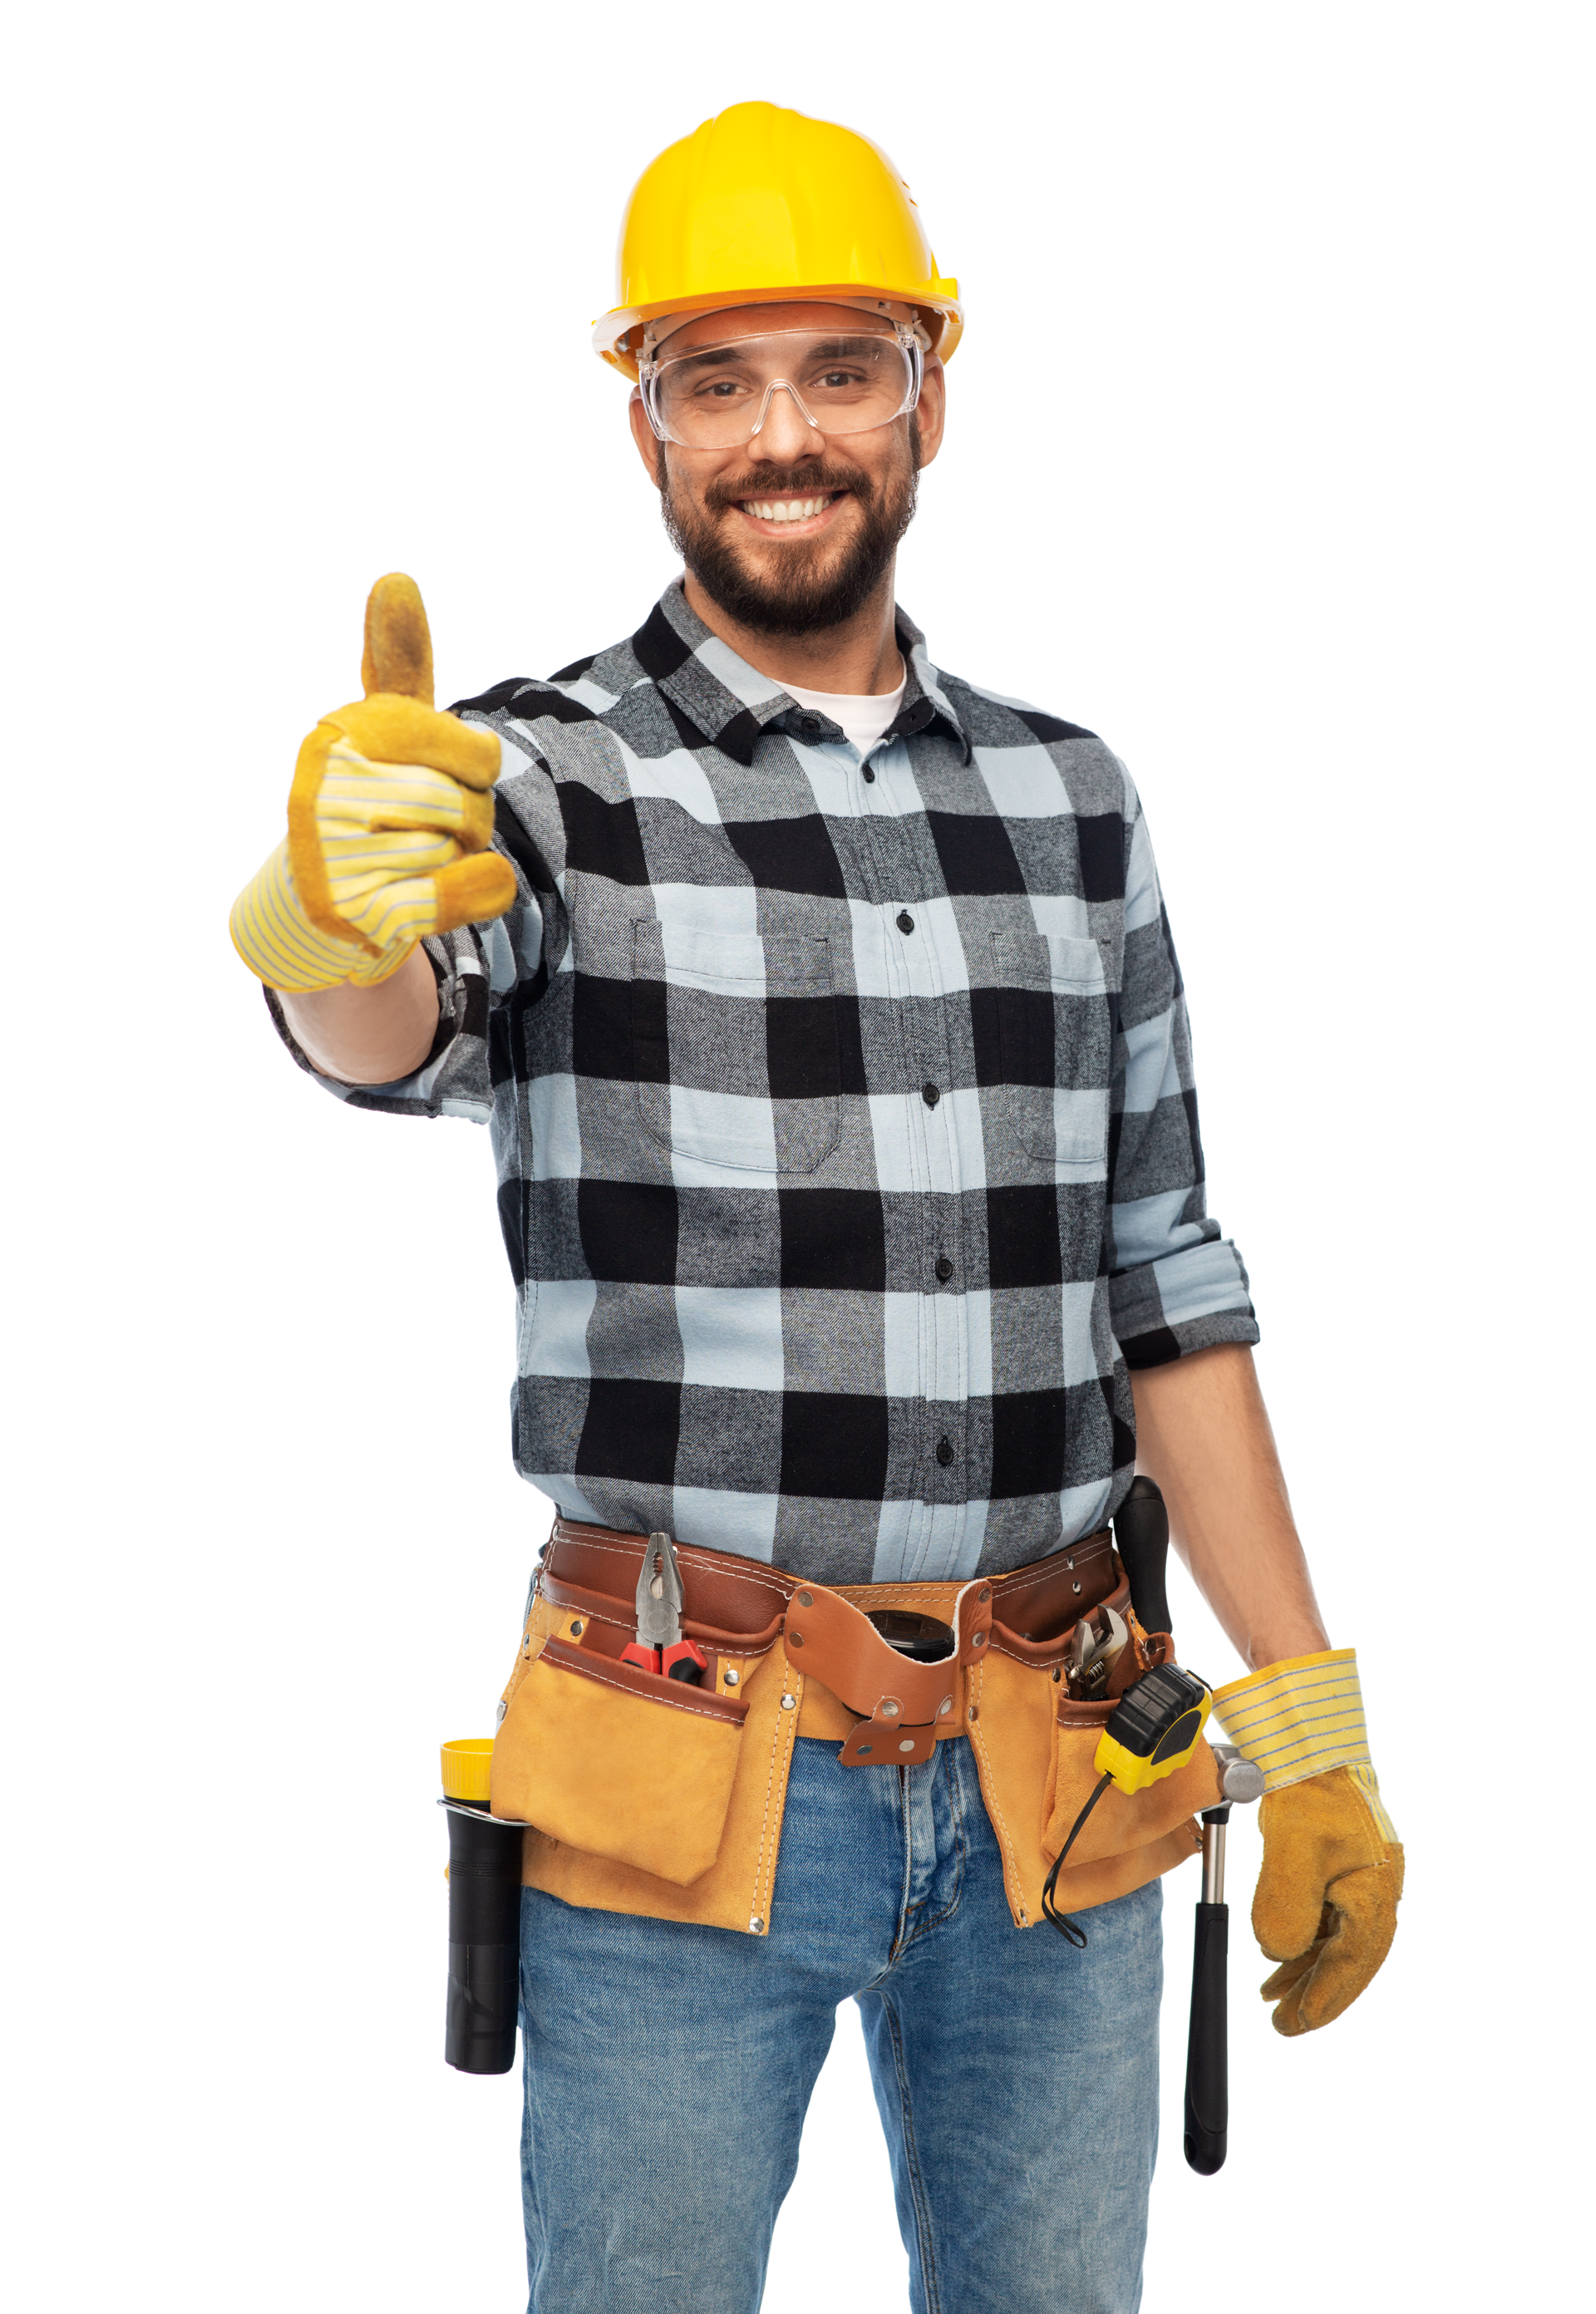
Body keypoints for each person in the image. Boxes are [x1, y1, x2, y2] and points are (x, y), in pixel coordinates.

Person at [230, 100, 1401, 2314]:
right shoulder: (530, 781)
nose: (782, 434)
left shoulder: (1071, 799)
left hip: (1066, 1775)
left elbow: (1168, 1282)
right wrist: (317, 905)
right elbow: (387, 1025)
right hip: (684, 1776)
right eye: (715, 379)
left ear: (932, 390)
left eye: (838, 369)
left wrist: (1309, 1715)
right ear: (645, 422)